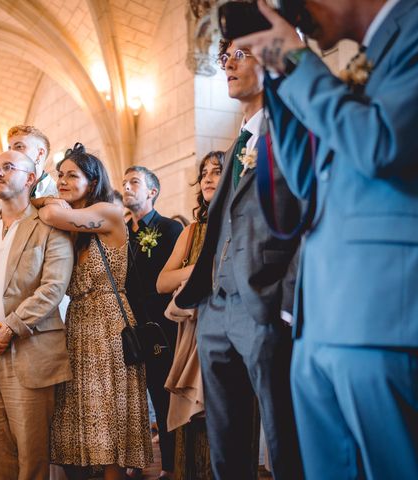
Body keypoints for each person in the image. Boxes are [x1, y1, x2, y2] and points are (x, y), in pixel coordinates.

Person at [235, 0, 418, 477]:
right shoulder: (365, 58)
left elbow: (381, 143)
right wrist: (277, 77)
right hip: (320, 320)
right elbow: (304, 180)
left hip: (383, 317)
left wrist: (296, 61)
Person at [173, 37, 303, 479]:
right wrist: (202, 297)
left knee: (284, 435)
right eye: (223, 57)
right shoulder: (235, 146)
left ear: (270, 60)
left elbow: (311, 218)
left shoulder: (293, 131)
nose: (227, 64)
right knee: (225, 440)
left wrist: (287, 304)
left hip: (264, 308)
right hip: (216, 309)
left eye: (239, 55)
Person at [0, 150, 74, 480]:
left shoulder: (49, 226)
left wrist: (12, 326)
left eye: (9, 167)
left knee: (33, 459)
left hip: (31, 352)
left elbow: (53, 287)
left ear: (31, 178)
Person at [38, 143, 153, 480]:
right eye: (59, 175)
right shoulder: (71, 233)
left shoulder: (108, 212)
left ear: (92, 180)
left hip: (109, 323)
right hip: (77, 322)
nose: (62, 181)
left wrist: (44, 198)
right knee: (78, 409)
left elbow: (52, 214)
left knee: (108, 409)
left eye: (71, 175)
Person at [156, 151, 224, 479]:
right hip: (193, 332)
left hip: (226, 326)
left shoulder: (238, 224)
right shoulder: (193, 231)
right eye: (204, 172)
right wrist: (196, 270)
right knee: (192, 420)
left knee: (223, 415)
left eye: (217, 171)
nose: (209, 177)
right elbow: (162, 282)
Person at [122, 165, 183, 479]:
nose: (127, 187)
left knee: (163, 397)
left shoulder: (170, 229)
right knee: (130, 397)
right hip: (127, 328)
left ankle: (171, 465)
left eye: (134, 182)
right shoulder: (119, 232)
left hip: (161, 327)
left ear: (152, 192)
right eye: (124, 182)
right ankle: (132, 459)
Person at [7, 124, 58, 197]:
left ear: (39, 154)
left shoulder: (59, 195)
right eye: (9, 149)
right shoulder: (8, 194)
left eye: (19, 147)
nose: (10, 153)